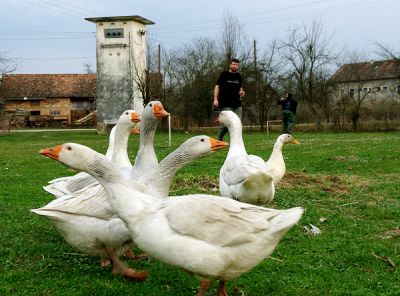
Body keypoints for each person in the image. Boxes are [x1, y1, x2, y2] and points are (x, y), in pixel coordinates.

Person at [213, 58, 245, 140]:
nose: (235, 66)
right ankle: (219, 139)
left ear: (238, 66)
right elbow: (217, 86)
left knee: (237, 123)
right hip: (226, 103)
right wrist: (215, 99)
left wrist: (242, 92)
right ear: (230, 65)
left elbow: (240, 88)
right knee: (227, 122)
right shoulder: (224, 74)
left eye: (237, 65)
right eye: (233, 64)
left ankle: (236, 140)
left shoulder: (239, 76)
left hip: (237, 103)